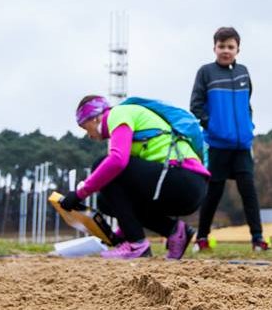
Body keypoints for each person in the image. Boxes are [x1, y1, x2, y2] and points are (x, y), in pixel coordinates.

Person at [59, 96, 209, 260]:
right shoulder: (125, 127)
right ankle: (175, 231)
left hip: (184, 180)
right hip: (189, 186)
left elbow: (117, 161)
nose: (88, 135)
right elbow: (126, 191)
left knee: (103, 165)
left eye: (85, 127)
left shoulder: (118, 113)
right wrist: (123, 231)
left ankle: (137, 244)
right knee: (105, 201)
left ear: (95, 117)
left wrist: (80, 193)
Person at [190, 26, 268, 252]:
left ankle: (258, 239)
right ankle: (202, 238)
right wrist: (213, 126)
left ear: (238, 49)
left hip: (242, 144)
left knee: (249, 191)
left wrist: (248, 126)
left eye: (230, 46)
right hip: (217, 144)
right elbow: (195, 106)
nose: (226, 50)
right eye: (221, 46)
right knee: (213, 192)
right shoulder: (205, 72)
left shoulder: (243, 72)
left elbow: (247, 105)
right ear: (214, 47)